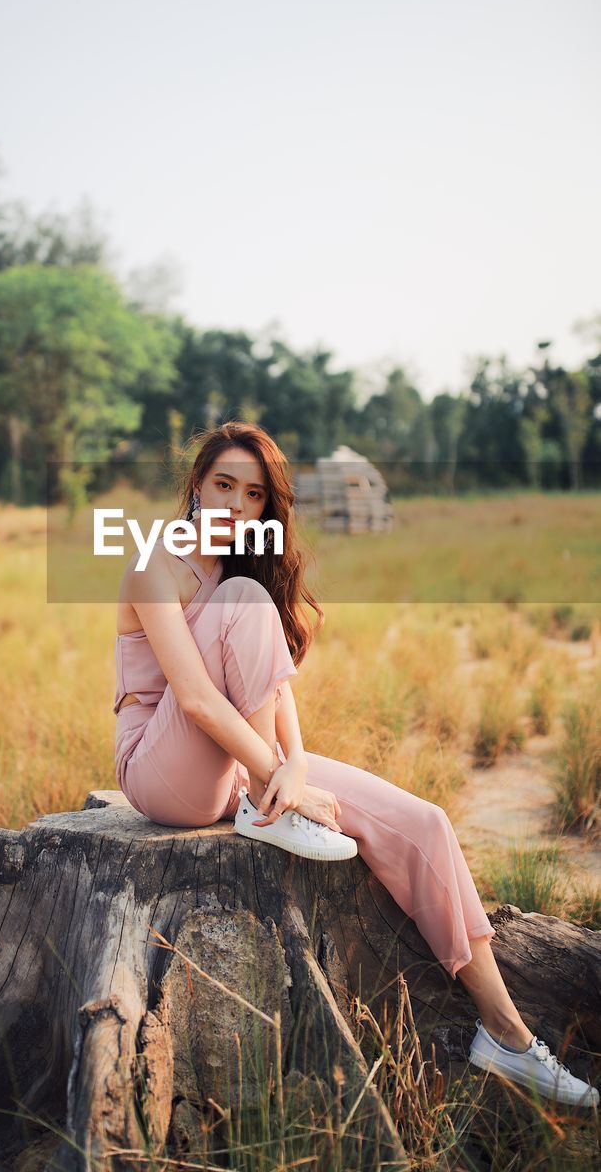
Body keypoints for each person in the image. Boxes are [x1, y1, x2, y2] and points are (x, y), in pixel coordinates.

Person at [113, 420, 598, 1109]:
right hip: (160, 771)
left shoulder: (237, 571)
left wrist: (298, 768)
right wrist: (273, 781)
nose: (235, 506)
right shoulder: (152, 561)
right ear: (195, 486)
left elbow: (272, 690)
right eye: (222, 485)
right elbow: (193, 699)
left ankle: (507, 1035)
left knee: (422, 822)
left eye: (253, 496)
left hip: (239, 767)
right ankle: (264, 806)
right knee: (246, 611)